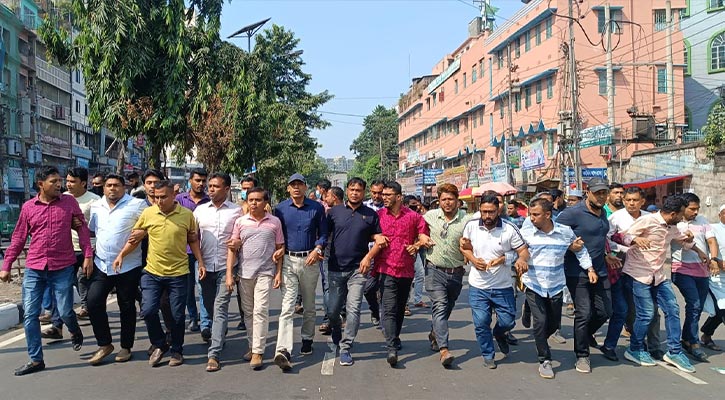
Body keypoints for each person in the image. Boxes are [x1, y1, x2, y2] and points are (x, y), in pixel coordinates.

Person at [0, 166, 92, 376]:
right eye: (54, 181)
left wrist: (87, 255)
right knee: (31, 314)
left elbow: (82, 229)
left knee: (66, 311)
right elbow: (18, 238)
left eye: (60, 181)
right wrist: (6, 265)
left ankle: (74, 330)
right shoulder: (28, 208)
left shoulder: (69, 203)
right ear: (40, 184)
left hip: (62, 266)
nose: (59, 185)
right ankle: (36, 359)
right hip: (34, 267)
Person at [113, 180, 206, 367]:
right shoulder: (148, 213)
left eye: (163, 197)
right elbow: (135, 237)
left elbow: (193, 240)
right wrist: (121, 254)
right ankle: (160, 343)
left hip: (178, 273)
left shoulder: (187, 215)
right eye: (156, 197)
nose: (159, 201)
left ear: (174, 196)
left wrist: (200, 262)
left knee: (178, 315)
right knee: (147, 311)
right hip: (152, 272)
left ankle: (177, 350)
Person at [620, 195, 708, 373]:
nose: (683, 218)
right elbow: (624, 236)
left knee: (673, 309)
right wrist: (636, 240)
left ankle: (674, 351)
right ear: (673, 213)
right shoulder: (647, 220)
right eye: (682, 215)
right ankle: (635, 349)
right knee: (646, 314)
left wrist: (693, 244)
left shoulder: (672, 227)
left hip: (658, 276)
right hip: (639, 274)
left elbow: (684, 241)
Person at [519, 198, 592, 379]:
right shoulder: (526, 233)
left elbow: (580, 249)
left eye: (535, 214)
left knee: (552, 325)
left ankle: (533, 319)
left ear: (548, 215)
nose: (532, 218)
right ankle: (545, 360)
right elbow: (515, 250)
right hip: (533, 285)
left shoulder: (564, 232)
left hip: (556, 285)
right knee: (541, 322)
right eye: (530, 214)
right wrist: (519, 260)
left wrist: (589, 268)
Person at [460, 195, 529, 370]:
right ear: (480, 210)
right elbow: (464, 247)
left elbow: (523, 251)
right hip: (478, 286)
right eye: (484, 212)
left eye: (491, 212)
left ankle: (500, 334)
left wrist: (511, 259)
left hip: (503, 285)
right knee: (481, 322)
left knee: (508, 322)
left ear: (499, 210)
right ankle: (488, 354)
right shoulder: (471, 226)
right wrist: (473, 260)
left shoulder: (509, 229)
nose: (487, 216)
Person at [86, 174, 148, 365]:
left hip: (128, 265)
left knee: (126, 306)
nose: (112, 189)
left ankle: (126, 347)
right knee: (93, 301)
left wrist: (143, 232)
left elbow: (151, 225)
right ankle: (104, 344)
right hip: (102, 264)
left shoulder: (137, 205)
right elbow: (93, 230)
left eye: (116, 185)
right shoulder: (96, 206)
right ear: (103, 188)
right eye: (109, 185)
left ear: (124, 187)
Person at [556, 177, 612, 374]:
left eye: (604, 193)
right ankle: (582, 355)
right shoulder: (572, 214)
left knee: (605, 311)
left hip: (600, 270)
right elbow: (552, 233)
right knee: (584, 313)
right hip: (576, 272)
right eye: (598, 193)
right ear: (587, 192)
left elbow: (600, 239)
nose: (602, 196)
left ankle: (586, 334)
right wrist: (570, 246)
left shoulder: (603, 212)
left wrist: (608, 255)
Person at [369, 181, 429, 367]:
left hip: (406, 269)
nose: (383, 198)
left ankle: (394, 337)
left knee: (400, 307)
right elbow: (368, 233)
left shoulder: (413, 217)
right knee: (388, 308)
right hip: (384, 268)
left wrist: (417, 245)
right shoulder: (378, 216)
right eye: (382, 195)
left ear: (399, 197)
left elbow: (423, 235)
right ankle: (391, 347)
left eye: (388, 195)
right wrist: (375, 236)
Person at [273, 173, 328, 371]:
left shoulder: (316, 208)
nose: (296, 188)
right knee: (287, 306)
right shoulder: (279, 209)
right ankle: (283, 349)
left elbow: (323, 234)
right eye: (292, 185)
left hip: (309, 260)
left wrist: (318, 249)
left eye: (300, 184)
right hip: (288, 259)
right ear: (288, 188)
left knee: (309, 303)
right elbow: (276, 234)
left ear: (306, 187)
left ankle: (307, 338)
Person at [601, 186, 661, 361]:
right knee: (622, 309)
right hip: (619, 267)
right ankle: (610, 345)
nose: (631, 203)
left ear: (642, 201)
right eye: (628, 200)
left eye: (635, 200)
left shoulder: (650, 218)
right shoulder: (615, 218)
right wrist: (625, 248)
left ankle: (652, 346)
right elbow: (606, 240)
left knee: (650, 310)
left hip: (644, 269)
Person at [227, 187, 284, 370]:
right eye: (250, 200)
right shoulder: (241, 222)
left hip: (265, 272)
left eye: (258, 200)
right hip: (244, 273)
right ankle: (252, 346)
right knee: (249, 312)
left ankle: (258, 352)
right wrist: (229, 274)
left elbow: (279, 247)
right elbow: (232, 247)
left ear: (265, 202)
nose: (253, 203)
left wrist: (278, 272)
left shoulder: (274, 222)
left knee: (260, 311)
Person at [327, 178, 382, 366]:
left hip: (358, 270)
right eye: (352, 189)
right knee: (333, 310)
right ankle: (335, 328)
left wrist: (368, 257)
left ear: (364, 191)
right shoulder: (334, 212)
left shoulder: (371, 215)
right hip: (335, 269)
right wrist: (318, 250)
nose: (355, 193)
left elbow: (378, 238)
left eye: (359, 190)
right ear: (347, 190)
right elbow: (324, 236)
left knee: (354, 309)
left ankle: (346, 347)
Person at [40, 167, 99, 340]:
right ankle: (57, 327)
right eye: (67, 181)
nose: (68, 184)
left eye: (72, 181)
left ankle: (94, 318)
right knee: (61, 289)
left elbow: (99, 228)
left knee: (88, 285)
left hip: (88, 251)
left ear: (83, 183)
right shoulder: (61, 199)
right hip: (66, 252)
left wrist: (81, 225)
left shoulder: (95, 202)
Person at [417, 184, 469, 367]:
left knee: (447, 308)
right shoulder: (430, 216)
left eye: (451, 199)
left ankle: (435, 333)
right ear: (439, 201)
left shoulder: (467, 220)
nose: (447, 203)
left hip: (456, 273)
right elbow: (417, 227)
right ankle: (444, 349)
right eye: (444, 199)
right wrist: (422, 236)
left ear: (457, 201)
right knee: (440, 306)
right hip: (434, 270)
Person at [194, 172, 242, 368]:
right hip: (205, 266)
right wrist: (199, 262)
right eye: (209, 186)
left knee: (220, 307)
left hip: (227, 267)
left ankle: (213, 354)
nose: (210, 189)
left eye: (215, 186)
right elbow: (192, 237)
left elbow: (243, 235)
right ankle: (219, 333)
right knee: (209, 305)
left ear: (227, 189)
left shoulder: (237, 212)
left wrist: (238, 242)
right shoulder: (199, 211)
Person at [670, 193, 720, 362]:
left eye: (697, 208)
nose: (695, 212)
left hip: (702, 271)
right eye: (692, 209)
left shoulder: (703, 221)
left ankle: (686, 339)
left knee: (696, 308)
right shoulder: (675, 222)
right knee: (694, 303)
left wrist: (713, 259)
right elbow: (681, 243)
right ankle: (694, 342)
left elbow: (712, 241)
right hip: (681, 270)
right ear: (683, 208)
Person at [175, 168, 210, 333]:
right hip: (184, 251)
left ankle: (205, 323)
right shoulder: (179, 200)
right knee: (188, 288)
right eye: (198, 180)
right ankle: (193, 317)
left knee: (203, 287)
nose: (201, 184)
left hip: (205, 251)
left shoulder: (210, 201)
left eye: (204, 181)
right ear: (190, 181)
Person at [319, 186, 344, 335]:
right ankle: (331, 318)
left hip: (340, 255)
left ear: (334, 197)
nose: (325, 198)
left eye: (327, 196)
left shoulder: (333, 213)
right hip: (329, 253)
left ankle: (334, 317)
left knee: (333, 287)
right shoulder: (329, 213)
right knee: (329, 286)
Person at [701, 204, 725, 350]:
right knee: (722, 308)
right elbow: (708, 249)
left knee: (718, 311)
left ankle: (706, 333)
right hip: (716, 276)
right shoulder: (713, 228)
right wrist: (717, 262)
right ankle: (706, 336)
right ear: (720, 215)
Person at [363, 179, 385, 327]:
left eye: (380, 193)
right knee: (368, 288)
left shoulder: (391, 208)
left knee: (386, 289)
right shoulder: (363, 207)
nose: (377, 196)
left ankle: (387, 320)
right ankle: (374, 309)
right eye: (374, 193)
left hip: (387, 255)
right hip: (368, 254)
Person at [403, 195, 427, 313]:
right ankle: (405, 304)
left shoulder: (418, 217)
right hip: (403, 253)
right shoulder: (403, 217)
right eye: (413, 204)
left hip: (415, 251)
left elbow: (422, 233)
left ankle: (417, 299)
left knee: (420, 274)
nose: (415, 206)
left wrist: (417, 245)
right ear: (406, 205)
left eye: (416, 204)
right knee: (406, 279)